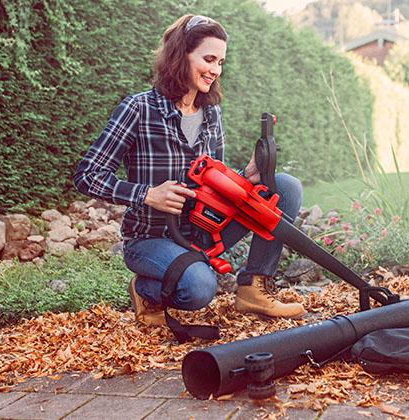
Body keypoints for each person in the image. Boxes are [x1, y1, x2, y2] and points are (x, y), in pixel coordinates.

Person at [73, 14, 306, 327]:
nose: (215, 70)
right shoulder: (138, 109)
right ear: (180, 55)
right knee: (199, 289)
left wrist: (246, 176)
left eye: (220, 62)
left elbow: (214, 182)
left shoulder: (211, 114)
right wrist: (147, 194)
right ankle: (146, 291)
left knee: (284, 187)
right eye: (208, 59)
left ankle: (253, 288)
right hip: (150, 239)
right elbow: (87, 174)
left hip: (203, 229)